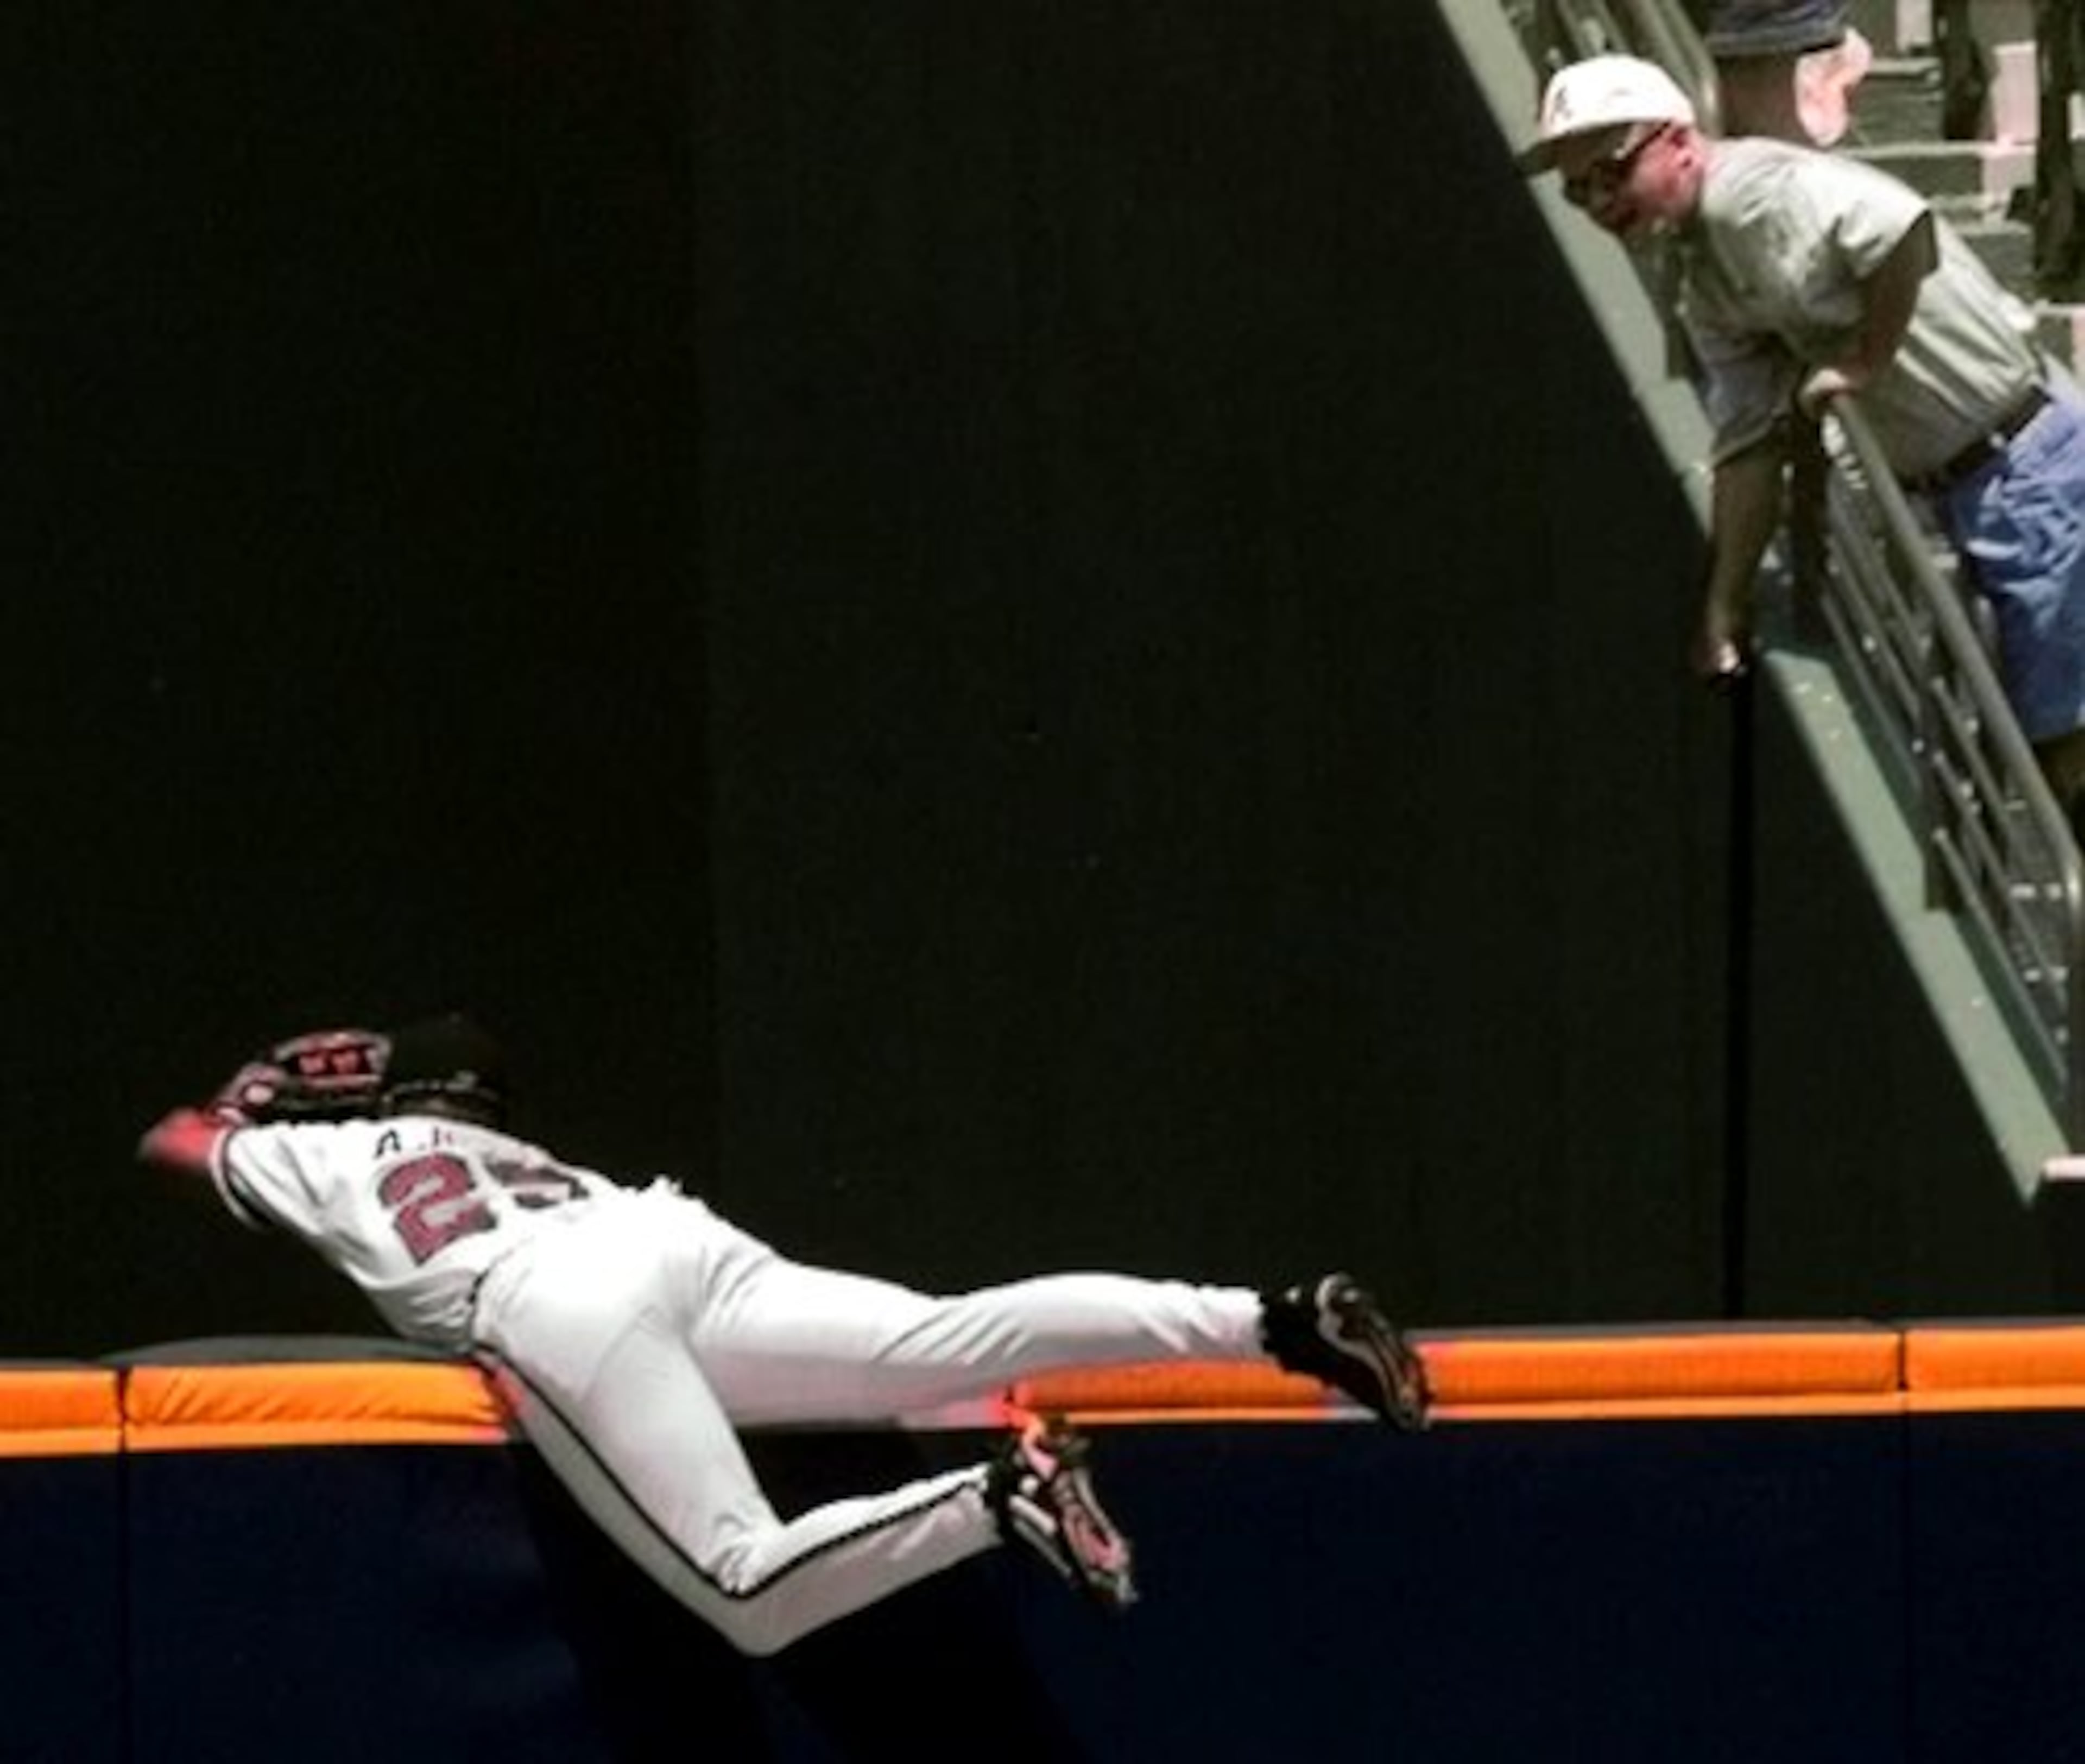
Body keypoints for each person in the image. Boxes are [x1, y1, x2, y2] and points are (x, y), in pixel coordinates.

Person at [136, 1014, 1431, 1658]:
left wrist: (249, 1095)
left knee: (747, 1587)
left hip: (554, 1298)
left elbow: (177, 1147)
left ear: (391, 1092)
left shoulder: (338, 1146)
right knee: (945, 1334)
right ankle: (1270, 1318)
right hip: (664, 1234)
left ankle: (1003, 1498)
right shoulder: (520, 1146)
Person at [1517, 53, 2085, 813]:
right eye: (1578, 189)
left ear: (1679, 142)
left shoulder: (1752, 195)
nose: (1598, 200)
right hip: (1961, 482)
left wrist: (1864, 360)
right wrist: (1724, 608)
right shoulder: (1703, 267)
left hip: (2026, 460)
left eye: (1611, 172)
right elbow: (1749, 445)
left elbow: (1900, 229)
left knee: (2065, 746)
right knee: (2035, 743)